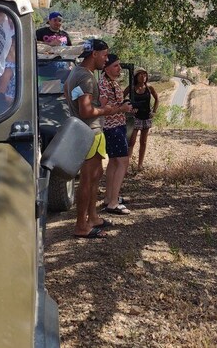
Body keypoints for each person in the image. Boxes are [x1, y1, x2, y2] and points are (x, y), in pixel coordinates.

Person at [64, 39, 132, 238]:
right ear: (94, 54)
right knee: (87, 180)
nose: (106, 59)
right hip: (90, 133)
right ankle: (81, 226)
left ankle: (92, 217)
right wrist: (108, 109)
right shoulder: (86, 78)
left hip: (88, 132)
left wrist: (93, 103)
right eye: (104, 55)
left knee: (95, 177)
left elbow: (72, 95)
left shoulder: (76, 73)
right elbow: (86, 110)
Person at [98, 54, 132, 215]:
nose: (119, 68)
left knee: (113, 162)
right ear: (107, 68)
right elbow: (103, 109)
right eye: (116, 66)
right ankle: (113, 203)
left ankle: (109, 197)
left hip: (117, 125)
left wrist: (124, 108)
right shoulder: (104, 85)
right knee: (123, 162)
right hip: (113, 127)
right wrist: (121, 109)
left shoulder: (111, 82)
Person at [127, 67, 158, 171]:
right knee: (132, 141)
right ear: (136, 76)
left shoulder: (149, 88)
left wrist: (154, 111)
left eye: (145, 75)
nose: (143, 77)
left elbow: (157, 99)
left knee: (143, 142)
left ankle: (140, 165)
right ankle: (127, 164)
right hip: (135, 118)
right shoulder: (132, 88)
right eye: (141, 75)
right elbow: (121, 97)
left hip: (146, 117)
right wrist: (128, 108)